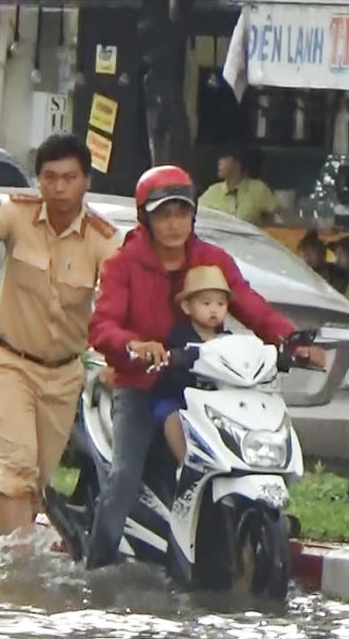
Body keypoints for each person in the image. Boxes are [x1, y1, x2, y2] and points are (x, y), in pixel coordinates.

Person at [85, 165, 326, 570]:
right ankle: (96, 567)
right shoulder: (123, 264)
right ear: (146, 218)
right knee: (124, 478)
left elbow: (251, 306)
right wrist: (134, 346)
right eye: (164, 214)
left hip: (208, 387)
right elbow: (102, 325)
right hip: (141, 387)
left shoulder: (212, 260)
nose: (175, 223)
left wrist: (290, 342)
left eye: (182, 212)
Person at [0, 133, 121, 539]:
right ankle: (16, 567)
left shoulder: (104, 239)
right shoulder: (18, 212)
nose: (60, 188)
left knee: (37, 484)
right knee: (17, 470)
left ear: (87, 181)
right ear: (38, 181)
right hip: (7, 361)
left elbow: (117, 303)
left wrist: (117, 359)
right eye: (50, 177)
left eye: (70, 177)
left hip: (63, 375)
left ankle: (15, 562)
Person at [153, 265, 233, 465]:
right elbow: (169, 361)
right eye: (206, 303)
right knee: (170, 415)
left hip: (215, 402)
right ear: (188, 307)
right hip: (179, 397)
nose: (214, 309)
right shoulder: (179, 335)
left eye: (220, 304)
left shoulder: (227, 339)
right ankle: (186, 463)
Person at [198, 147, 281, 228]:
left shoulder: (257, 189)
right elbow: (196, 214)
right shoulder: (213, 191)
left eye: (224, 158)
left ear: (237, 163)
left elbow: (280, 216)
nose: (219, 162)